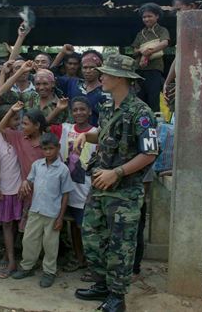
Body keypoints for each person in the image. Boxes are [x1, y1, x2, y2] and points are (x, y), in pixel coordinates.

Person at [74, 54, 159, 312]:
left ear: (121, 78)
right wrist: (86, 137)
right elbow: (104, 133)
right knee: (91, 237)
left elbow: (150, 153)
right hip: (100, 185)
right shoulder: (109, 106)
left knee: (120, 246)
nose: (102, 78)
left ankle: (117, 297)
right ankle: (102, 284)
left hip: (124, 192)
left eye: (107, 74)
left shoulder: (142, 112)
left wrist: (118, 172)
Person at [12, 133, 74, 288]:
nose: (48, 152)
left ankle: (49, 272)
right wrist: (25, 182)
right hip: (35, 210)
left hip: (52, 213)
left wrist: (61, 218)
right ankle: (27, 267)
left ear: (58, 148)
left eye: (51, 149)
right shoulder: (37, 165)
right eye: (45, 149)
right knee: (29, 240)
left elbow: (66, 194)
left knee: (50, 245)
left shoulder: (63, 170)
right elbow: (30, 180)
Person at [49, 96, 97, 272]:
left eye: (82, 109)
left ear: (90, 111)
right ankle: (79, 259)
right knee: (73, 228)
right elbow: (43, 125)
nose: (79, 113)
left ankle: (92, 264)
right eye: (75, 109)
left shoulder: (96, 133)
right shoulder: (65, 129)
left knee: (86, 228)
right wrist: (58, 109)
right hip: (66, 190)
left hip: (86, 190)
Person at [0, 102, 47, 232]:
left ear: (36, 126)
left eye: (25, 124)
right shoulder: (20, 138)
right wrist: (12, 111)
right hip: (27, 192)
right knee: (28, 227)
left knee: (42, 227)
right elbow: (1, 127)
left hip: (44, 192)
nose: (21, 126)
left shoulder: (47, 143)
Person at [0, 105, 23, 279]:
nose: (17, 123)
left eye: (18, 119)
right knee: (7, 224)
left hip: (20, 188)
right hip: (4, 188)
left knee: (17, 223)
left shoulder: (21, 136)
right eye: (13, 118)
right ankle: (11, 259)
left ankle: (9, 253)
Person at [163, 0, 202, 101]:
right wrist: (167, 82)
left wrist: (186, 82)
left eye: (179, 9)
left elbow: (200, 63)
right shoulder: (186, 30)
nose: (177, 14)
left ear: (191, 6)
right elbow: (179, 57)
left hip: (196, 84)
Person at [52, 47, 108, 126]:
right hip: (72, 133)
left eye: (92, 67)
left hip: (94, 135)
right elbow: (51, 75)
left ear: (100, 68)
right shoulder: (73, 83)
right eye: (85, 67)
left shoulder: (106, 91)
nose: (88, 71)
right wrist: (62, 53)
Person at [130, 3, 170, 112]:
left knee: (154, 98)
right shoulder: (140, 33)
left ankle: (154, 124)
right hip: (140, 71)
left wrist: (148, 52)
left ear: (157, 16)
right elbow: (134, 51)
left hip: (154, 70)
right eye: (144, 17)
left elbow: (164, 43)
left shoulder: (162, 30)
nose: (146, 19)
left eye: (149, 16)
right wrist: (141, 51)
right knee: (140, 98)